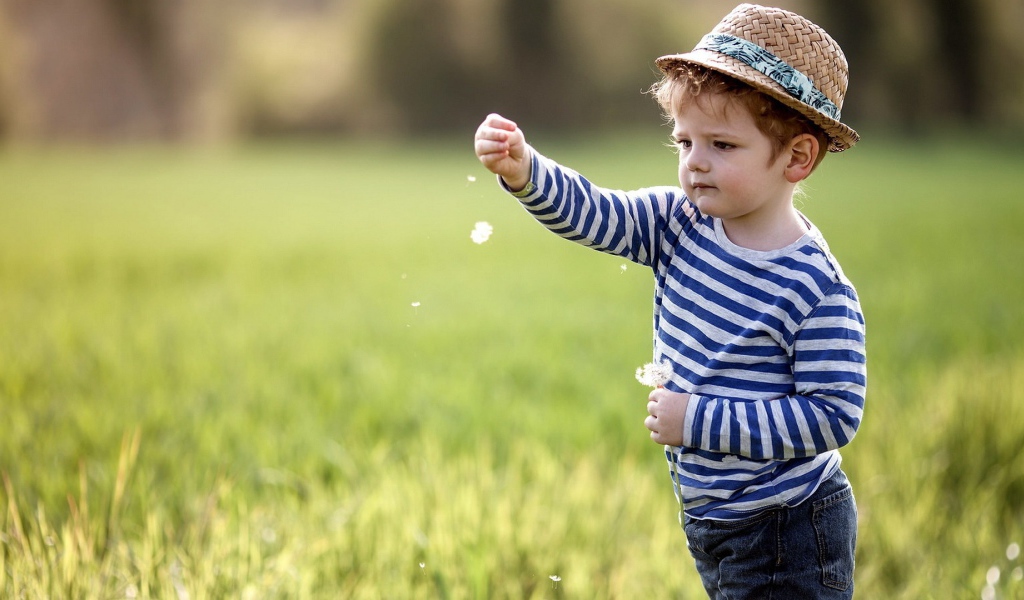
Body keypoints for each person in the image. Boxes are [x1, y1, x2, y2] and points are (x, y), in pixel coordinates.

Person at [474, 3, 866, 598]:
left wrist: (697, 420)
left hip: (786, 527)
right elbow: (598, 213)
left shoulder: (813, 287)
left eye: (722, 145)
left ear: (796, 157)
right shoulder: (678, 223)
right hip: (714, 520)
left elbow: (834, 413)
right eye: (684, 141)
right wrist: (526, 171)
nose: (694, 163)